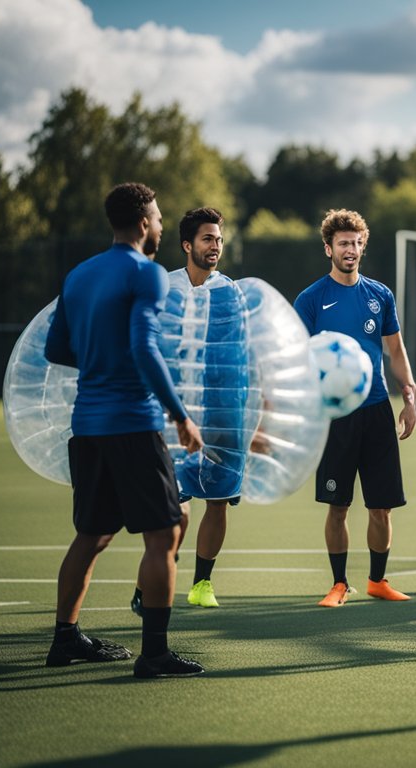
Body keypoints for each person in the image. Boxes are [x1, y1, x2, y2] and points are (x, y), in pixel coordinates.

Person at [43, 182, 206, 678]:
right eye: (157, 218)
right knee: (166, 532)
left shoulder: (78, 275)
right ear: (142, 224)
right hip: (134, 424)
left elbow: (56, 349)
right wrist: (180, 415)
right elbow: (143, 348)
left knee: (91, 535)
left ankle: (65, 638)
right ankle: (154, 653)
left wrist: (99, 356)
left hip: (87, 426)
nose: (159, 225)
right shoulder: (148, 274)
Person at [295, 209, 416, 607]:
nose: (351, 250)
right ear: (328, 248)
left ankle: (377, 580)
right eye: (343, 243)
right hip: (335, 417)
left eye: (356, 243)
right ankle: (338, 583)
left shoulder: (380, 295)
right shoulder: (311, 299)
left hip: (378, 408)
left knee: (381, 507)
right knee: (338, 505)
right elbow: (298, 358)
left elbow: (395, 350)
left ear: (363, 246)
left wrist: (410, 395)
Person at [129, 207, 239, 614]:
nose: (216, 246)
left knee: (219, 500)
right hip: (169, 414)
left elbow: (240, 355)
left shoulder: (231, 291)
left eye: (220, 240)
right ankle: (150, 584)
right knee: (173, 510)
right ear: (188, 244)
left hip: (217, 415)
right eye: (208, 239)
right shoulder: (163, 286)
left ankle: (202, 583)